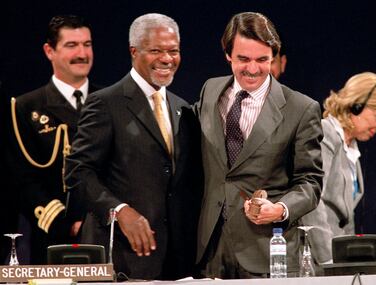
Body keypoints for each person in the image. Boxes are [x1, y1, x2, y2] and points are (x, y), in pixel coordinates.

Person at [65, 13, 203, 280]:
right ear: (134, 51)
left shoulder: (183, 109)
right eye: (156, 51)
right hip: (122, 258)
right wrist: (119, 211)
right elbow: (78, 173)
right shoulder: (105, 103)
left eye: (173, 51)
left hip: (176, 261)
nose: (167, 59)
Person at [196, 12, 323, 278]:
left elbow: (310, 182)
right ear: (227, 54)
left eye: (263, 60)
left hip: (268, 254)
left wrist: (279, 209)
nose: (253, 69)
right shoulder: (210, 91)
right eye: (243, 58)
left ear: (274, 57)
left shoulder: (301, 108)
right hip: (211, 251)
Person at [10, 15, 98, 264]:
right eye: (72, 45)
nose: (82, 53)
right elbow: (21, 180)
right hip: (53, 239)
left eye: (87, 44)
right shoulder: (26, 107)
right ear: (49, 51)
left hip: (107, 233)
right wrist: (65, 223)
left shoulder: (110, 101)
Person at [301, 71, 376, 265]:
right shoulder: (326, 134)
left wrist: (348, 262)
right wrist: (328, 260)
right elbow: (312, 200)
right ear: (356, 106)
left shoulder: (351, 151)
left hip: (337, 261)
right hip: (316, 260)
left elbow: (346, 220)